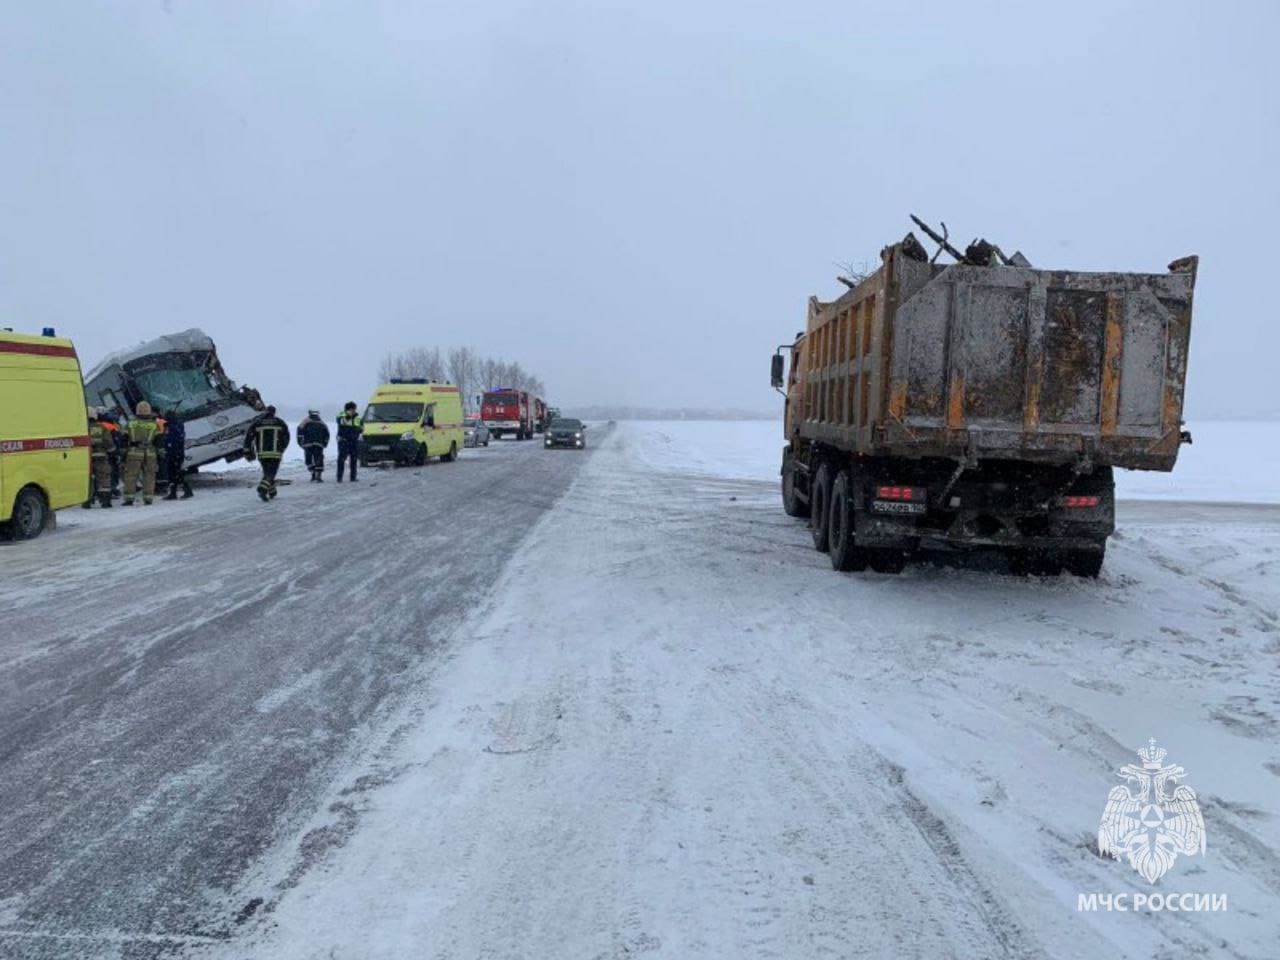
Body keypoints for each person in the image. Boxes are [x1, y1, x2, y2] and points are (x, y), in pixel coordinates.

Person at [244, 405, 291, 502]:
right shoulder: (280, 422)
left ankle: (272, 491)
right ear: (274, 412)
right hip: (275, 453)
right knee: (271, 473)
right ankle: (262, 490)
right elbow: (286, 437)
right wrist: (282, 448)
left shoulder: (257, 423)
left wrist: (248, 450)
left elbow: (249, 437)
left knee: (267, 472)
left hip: (262, 453)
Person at [122, 400, 164, 505]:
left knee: (131, 476)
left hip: (134, 452)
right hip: (150, 452)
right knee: (149, 476)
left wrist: (122, 453)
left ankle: (129, 499)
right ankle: (148, 498)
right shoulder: (154, 424)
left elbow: (123, 439)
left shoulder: (131, 423)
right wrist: (160, 453)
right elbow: (159, 441)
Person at [82, 407, 114, 509]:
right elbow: (108, 442)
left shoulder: (82, 428)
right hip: (101, 456)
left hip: (86, 458)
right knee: (104, 477)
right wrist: (112, 452)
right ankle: (105, 501)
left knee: (87, 479)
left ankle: (87, 501)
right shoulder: (101, 427)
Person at [163, 411, 193, 500]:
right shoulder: (178, 426)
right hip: (178, 454)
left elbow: (171, 441)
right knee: (176, 473)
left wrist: (167, 448)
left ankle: (184, 491)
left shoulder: (172, 428)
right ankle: (175, 492)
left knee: (175, 474)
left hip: (173, 454)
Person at [297, 409, 330, 482]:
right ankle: (318, 474)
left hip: (308, 444)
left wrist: (300, 443)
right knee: (318, 459)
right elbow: (327, 434)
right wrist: (325, 443)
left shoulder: (304, 422)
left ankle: (313, 473)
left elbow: (299, 432)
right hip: (318, 444)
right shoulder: (322, 423)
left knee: (308, 460)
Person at [336, 401, 363, 482]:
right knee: (341, 460)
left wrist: (360, 430)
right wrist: (348, 416)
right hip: (344, 441)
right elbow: (339, 421)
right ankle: (339, 477)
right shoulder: (341, 416)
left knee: (354, 460)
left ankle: (353, 477)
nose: (353, 411)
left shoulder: (358, 418)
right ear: (347, 410)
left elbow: (361, 427)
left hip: (354, 441)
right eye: (351, 409)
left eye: (354, 409)